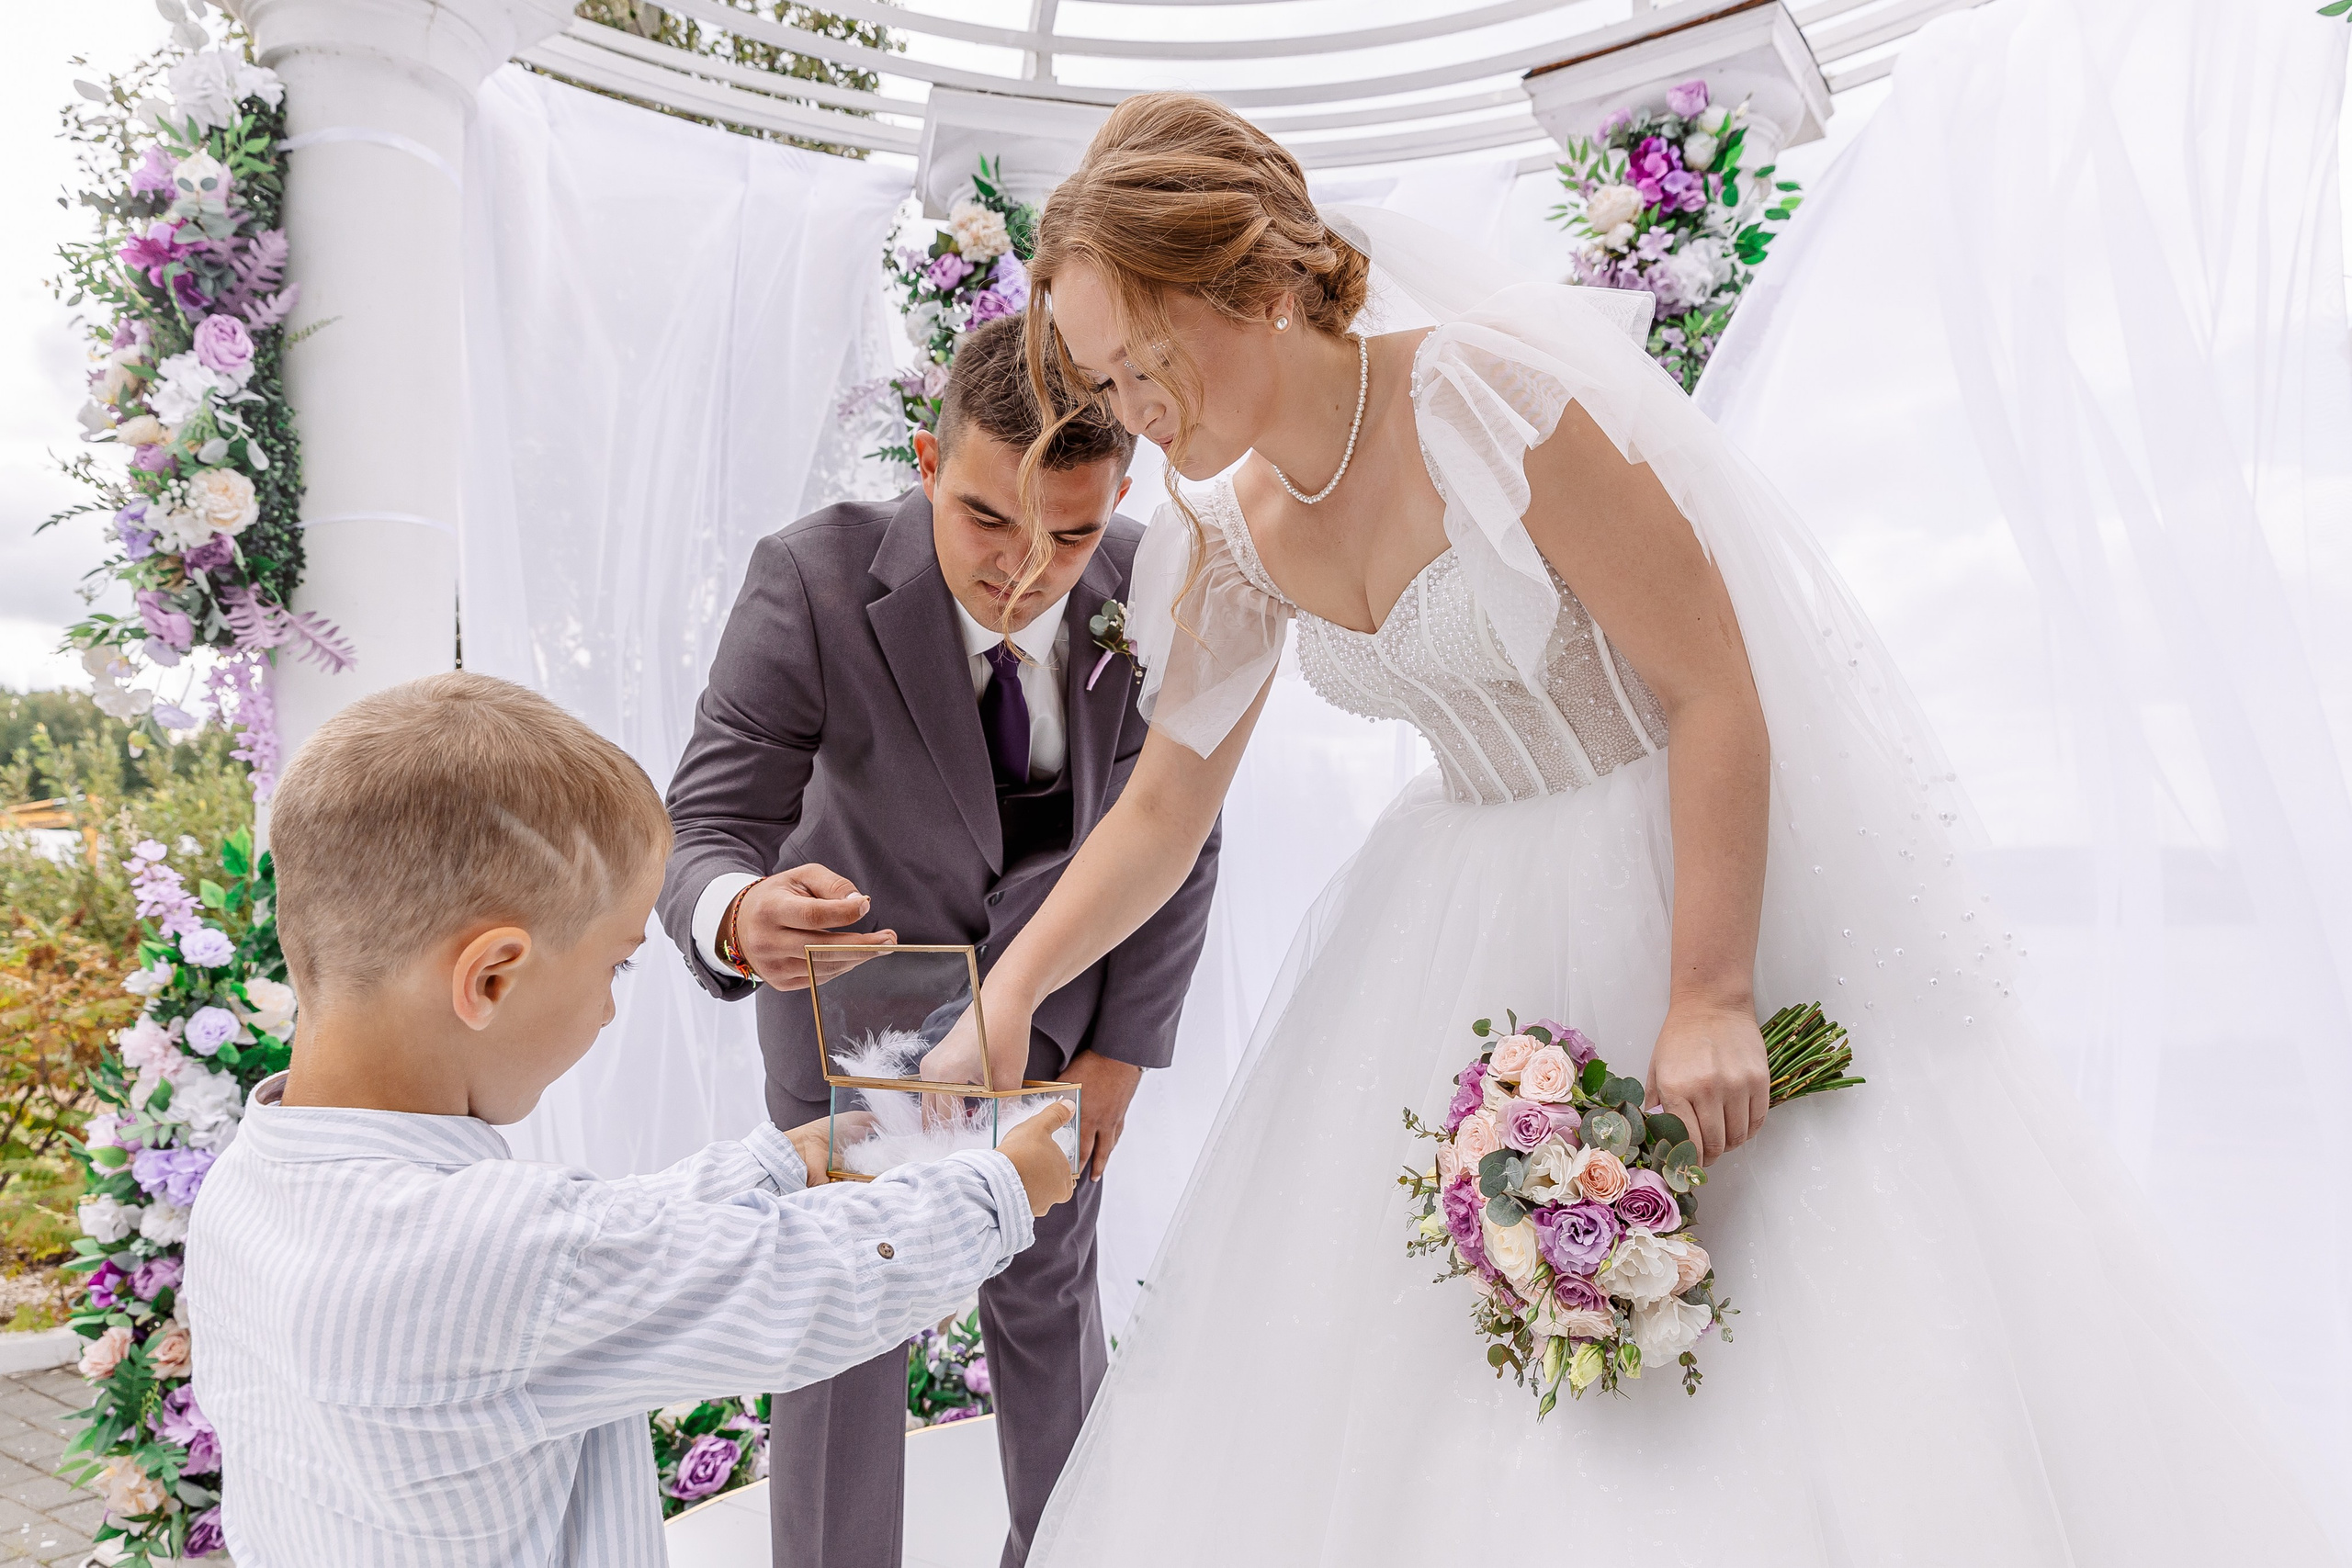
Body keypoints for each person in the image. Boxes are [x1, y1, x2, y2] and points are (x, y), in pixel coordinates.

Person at [920, 94, 2343, 1564]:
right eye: (1104, 376)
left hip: (1675, 871)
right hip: (1452, 933)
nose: (1135, 408)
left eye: (1145, 358)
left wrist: (1712, 987)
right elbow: (1164, 806)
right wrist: (1012, 990)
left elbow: (1713, 684)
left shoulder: (1486, 402)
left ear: (1258, 282)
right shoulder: (1226, 531)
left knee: (1789, 1345)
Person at [183, 672, 1078, 1567]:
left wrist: (786, 1162)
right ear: (492, 977)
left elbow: (613, 1245)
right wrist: (1004, 1181)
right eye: (614, 966)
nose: (610, 1011)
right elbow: (803, 1285)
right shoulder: (496, 1255)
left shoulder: (246, 1194)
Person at [656, 312, 1219, 1568]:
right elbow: (702, 820)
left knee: (1051, 1308)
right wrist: (738, 912)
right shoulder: (809, 579)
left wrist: (1119, 1053)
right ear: (927, 461)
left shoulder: (1152, 587)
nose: (1026, 569)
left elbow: (1181, 836)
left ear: (1122, 490)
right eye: (987, 521)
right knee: (841, 1339)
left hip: (1059, 1048)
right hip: (848, 1050)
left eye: (1071, 530)